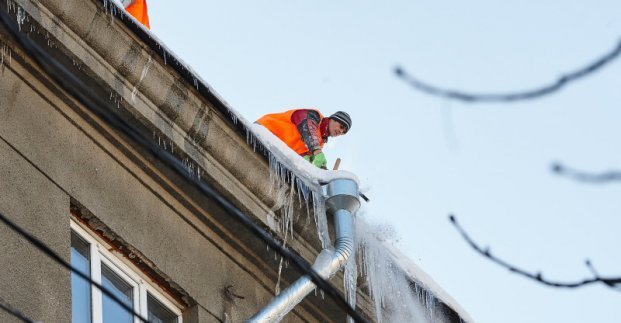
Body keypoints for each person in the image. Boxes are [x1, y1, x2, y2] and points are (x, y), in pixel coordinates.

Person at [257, 109, 352, 169]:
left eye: (343, 132)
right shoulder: (314, 116)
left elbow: (302, 159)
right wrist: (317, 151)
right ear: (333, 119)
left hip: (273, 150)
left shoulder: (319, 142)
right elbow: (307, 127)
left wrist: (321, 170)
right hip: (263, 130)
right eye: (341, 126)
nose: (340, 131)